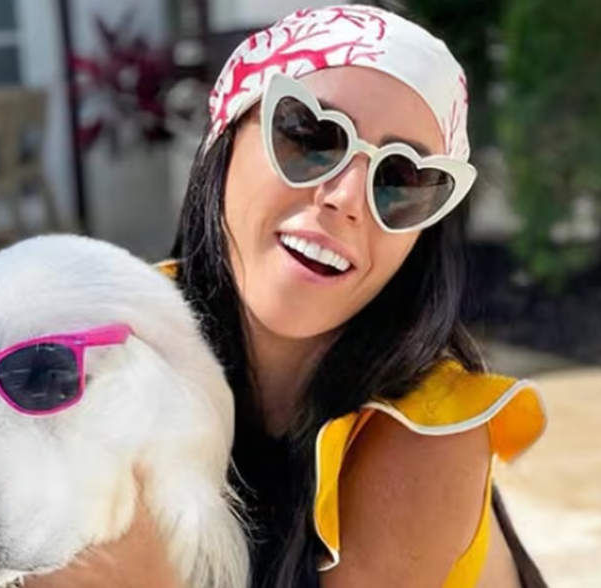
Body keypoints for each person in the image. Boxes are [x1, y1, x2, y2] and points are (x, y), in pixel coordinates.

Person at [29, 4, 548, 588]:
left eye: (399, 179)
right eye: (311, 136)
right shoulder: (113, 342)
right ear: (225, 137)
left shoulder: (429, 431)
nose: (347, 197)